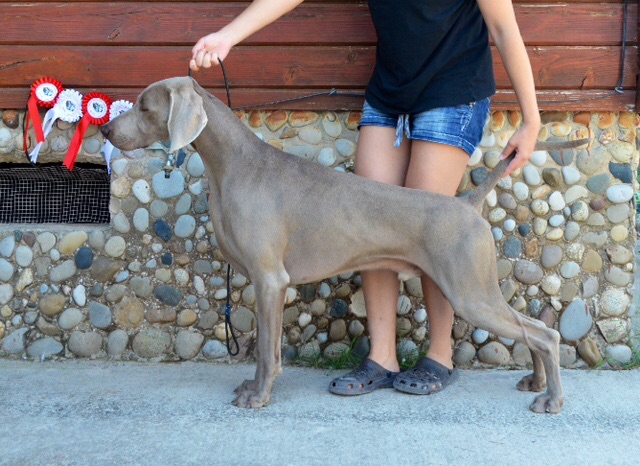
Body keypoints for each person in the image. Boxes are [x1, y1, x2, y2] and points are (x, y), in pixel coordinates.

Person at [190, 0, 540, 396]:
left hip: (452, 90)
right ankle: (382, 357)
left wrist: (531, 120)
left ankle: (440, 356)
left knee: (432, 225)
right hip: (390, 93)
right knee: (369, 223)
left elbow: (503, 28)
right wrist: (228, 36)